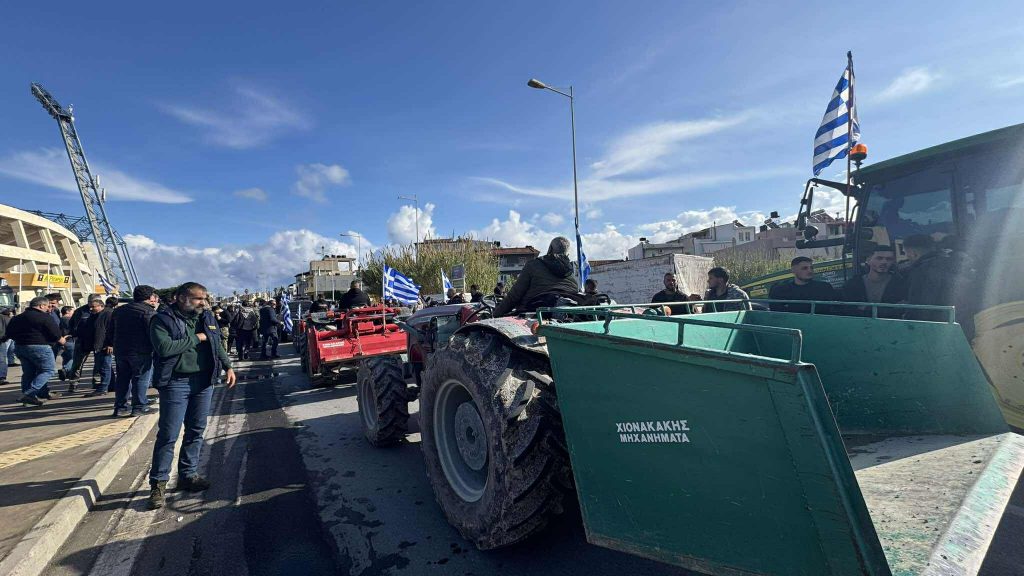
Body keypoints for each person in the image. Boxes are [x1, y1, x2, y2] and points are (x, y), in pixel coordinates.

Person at [147, 282, 235, 509]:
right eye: (197, 298)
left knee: (196, 430)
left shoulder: (206, 317)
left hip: (204, 381)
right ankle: (158, 484)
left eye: (204, 298)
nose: (203, 303)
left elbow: (216, 344)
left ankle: (188, 475)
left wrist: (228, 366)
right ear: (180, 297)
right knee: (169, 434)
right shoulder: (162, 319)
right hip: (176, 382)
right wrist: (197, 338)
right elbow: (164, 348)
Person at [494, 237, 579, 316]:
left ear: (550, 249)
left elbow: (514, 296)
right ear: (567, 254)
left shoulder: (533, 265)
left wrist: (495, 315)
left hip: (532, 313)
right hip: (567, 315)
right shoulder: (571, 273)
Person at [6, 296, 66, 405]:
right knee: (48, 370)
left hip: (21, 347)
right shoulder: (44, 317)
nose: (49, 309)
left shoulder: (17, 318)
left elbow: (9, 333)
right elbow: (56, 334)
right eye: (48, 306)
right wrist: (61, 341)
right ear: (41, 306)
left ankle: (29, 398)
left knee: (28, 373)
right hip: (40, 346)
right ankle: (29, 394)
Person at [111, 285, 159, 417]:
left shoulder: (119, 310)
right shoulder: (149, 312)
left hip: (121, 350)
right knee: (140, 378)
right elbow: (153, 333)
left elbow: (110, 330)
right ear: (150, 297)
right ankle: (139, 406)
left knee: (122, 379)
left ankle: (120, 407)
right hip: (141, 350)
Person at [840, 246, 908, 317]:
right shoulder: (853, 284)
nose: (884, 262)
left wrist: (866, 308)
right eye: (879, 258)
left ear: (893, 262)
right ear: (868, 260)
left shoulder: (900, 284)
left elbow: (900, 310)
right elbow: (848, 310)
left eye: (889, 259)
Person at [901, 234, 957, 321]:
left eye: (905, 253)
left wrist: (909, 322)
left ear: (914, 253)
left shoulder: (922, 271)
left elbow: (920, 305)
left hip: (932, 326)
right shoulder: (953, 264)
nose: (906, 257)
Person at [768, 257, 836, 313]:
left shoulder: (824, 288)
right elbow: (776, 315)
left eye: (811, 268)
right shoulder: (780, 290)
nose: (810, 271)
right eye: (804, 268)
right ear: (793, 270)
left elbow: (833, 310)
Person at [81, 297, 115, 397]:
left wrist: (110, 344)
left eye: (93, 307)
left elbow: (111, 330)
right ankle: (111, 385)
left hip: (104, 345)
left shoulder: (108, 314)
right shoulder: (95, 315)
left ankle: (103, 388)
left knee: (104, 367)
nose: (91, 309)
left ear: (101, 306)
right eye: (90, 307)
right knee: (104, 366)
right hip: (98, 345)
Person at [58, 305, 75, 381]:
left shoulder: (59, 320)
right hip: (70, 340)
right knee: (72, 358)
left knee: (66, 357)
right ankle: (66, 370)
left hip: (61, 341)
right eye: (72, 311)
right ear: (67, 311)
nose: (73, 312)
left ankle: (66, 372)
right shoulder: (70, 320)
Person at [0, 308, 11, 384]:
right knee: (2, 358)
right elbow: (11, 329)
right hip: (1, 341)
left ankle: (1, 377)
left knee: (2, 358)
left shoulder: (3, 318)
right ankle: (1, 377)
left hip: (1, 341)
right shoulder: (5, 318)